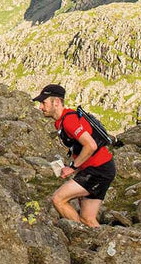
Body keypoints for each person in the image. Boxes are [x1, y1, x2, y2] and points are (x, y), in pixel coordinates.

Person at [34, 83, 114, 228]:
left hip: (98, 170)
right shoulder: (60, 122)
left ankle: (81, 234)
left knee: (58, 199)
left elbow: (91, 145)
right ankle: (102, 242)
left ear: (56, 102)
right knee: (87, 219)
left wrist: (72, 167)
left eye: (43, 102)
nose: (40, 107)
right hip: (102, 168)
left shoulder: (69, 120)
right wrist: (75, 168)